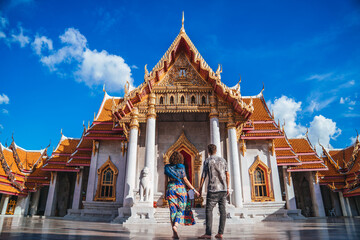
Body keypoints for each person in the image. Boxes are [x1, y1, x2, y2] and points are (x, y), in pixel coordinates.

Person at [164, 151, 200, 239]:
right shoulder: (181, 167)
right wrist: (194, 189)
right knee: (181, 207)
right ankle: (176, 224)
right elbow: (185, 180)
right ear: (180, 159)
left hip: (171, 188)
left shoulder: (167, 167)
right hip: (181, 189)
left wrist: (165, 192)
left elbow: (166, 181)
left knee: (173, 210)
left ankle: (174, 232)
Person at [198, 144, 230, 239]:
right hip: (223, 189)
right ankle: (220, 233)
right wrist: (228, 187)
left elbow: (203, 176)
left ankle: (208, 233)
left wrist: (200, 188)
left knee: (209, 210)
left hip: (212, 189)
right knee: (223, 211)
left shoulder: (207, 161)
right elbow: (227, 175)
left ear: (208, 151)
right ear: (216, 150)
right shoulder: (223, 160)